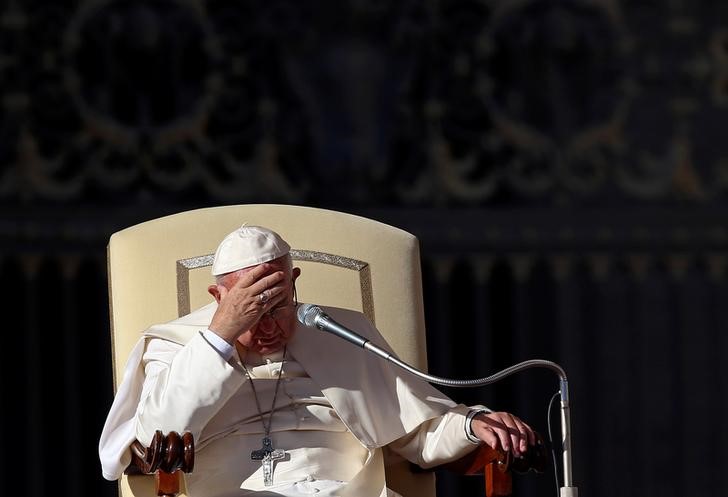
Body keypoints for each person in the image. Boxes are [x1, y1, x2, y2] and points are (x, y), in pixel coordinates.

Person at [99, 225, 536, 497]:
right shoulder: (176, 344)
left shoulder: (340, 332)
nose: (269, 325)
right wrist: (222, 335)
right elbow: (154, 437)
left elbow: (417, 429)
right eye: (253, 310)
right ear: (219, 298)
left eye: (279, 305)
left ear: (294, 282)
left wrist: (471, 424)